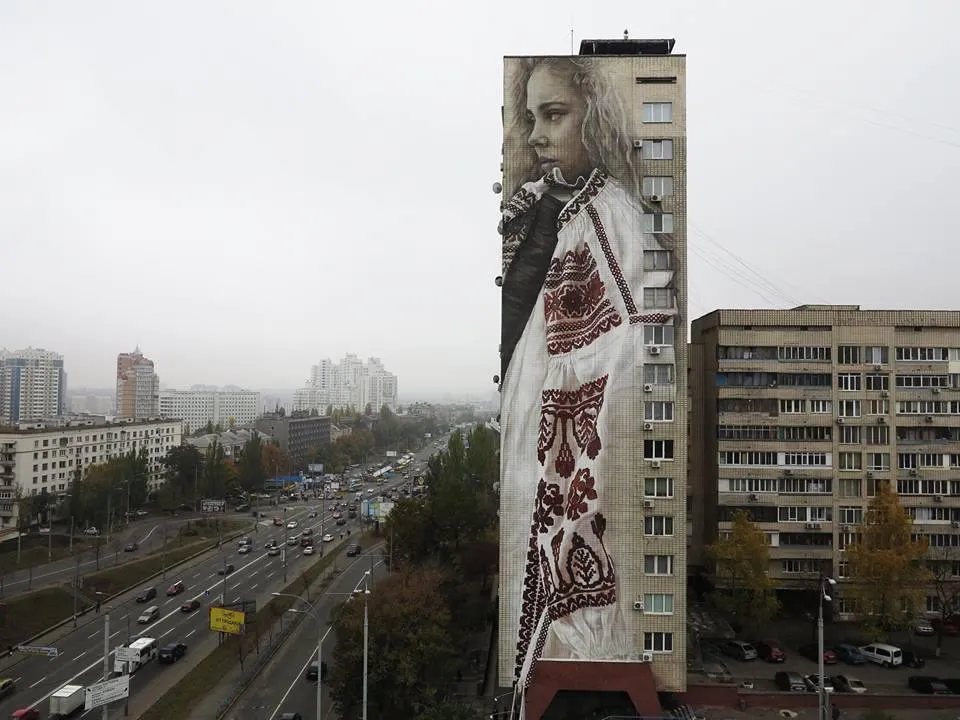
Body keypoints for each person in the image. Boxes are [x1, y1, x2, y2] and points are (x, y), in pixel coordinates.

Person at [499, 56, 679, 695]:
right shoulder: (551, 203)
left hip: (578, 452)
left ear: (595, 118)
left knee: (571, 592)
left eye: (554, 115)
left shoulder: (614, 218)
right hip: (538, 436)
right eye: (530, 119)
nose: (538, 136)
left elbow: (628, 350)